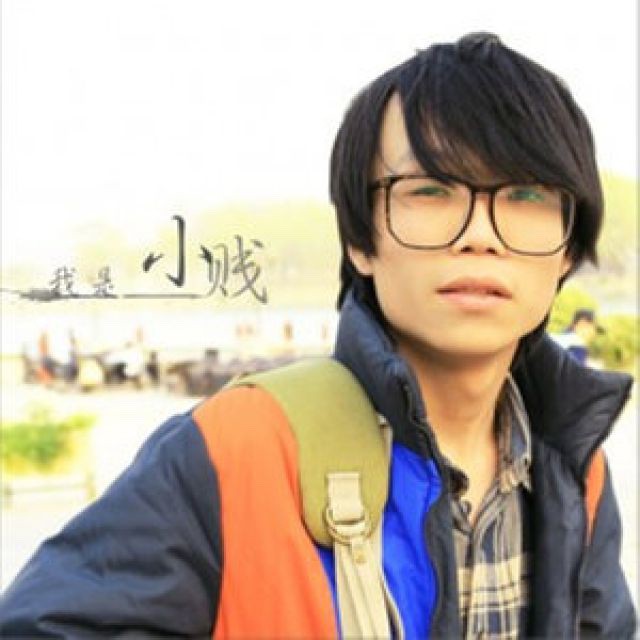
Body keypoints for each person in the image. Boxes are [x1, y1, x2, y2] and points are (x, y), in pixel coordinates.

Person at [1, 32, 635, 638]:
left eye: (525, 194)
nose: (479, 234)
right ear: (360, 240)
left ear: (568, 249)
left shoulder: (572, 467)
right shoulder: (239, 450)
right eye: (430, 190)